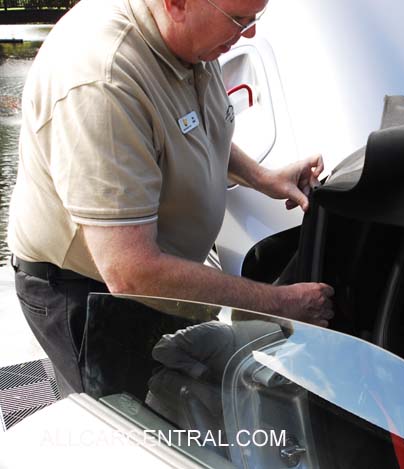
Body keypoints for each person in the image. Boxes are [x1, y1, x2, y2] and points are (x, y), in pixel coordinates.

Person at [7, 0, 334, 396]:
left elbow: (191, 125)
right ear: (176, 3)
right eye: (239, 20)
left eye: (255, 19)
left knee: (159, 392)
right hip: (88, 292)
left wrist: (262, 177)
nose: (248, 34)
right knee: (123, 432)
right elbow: (132, 272)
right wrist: (280, 304)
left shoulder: (192, 39)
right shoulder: (102, 81)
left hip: (151, 281)